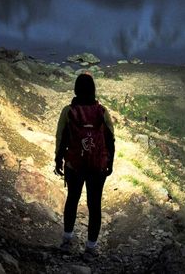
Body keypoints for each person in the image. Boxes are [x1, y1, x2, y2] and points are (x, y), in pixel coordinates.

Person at [54, 72, 115, 256]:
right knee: (94, 205)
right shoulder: (102, 111)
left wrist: (58, 159)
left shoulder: (68, 111)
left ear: (76, 89)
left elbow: (60, 136)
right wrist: (110, 163)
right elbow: (110, 138)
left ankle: (67, 240)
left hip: (75, 164)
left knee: (72, 199)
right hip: (97, 166)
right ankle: (90, 247)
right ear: (93, 90)